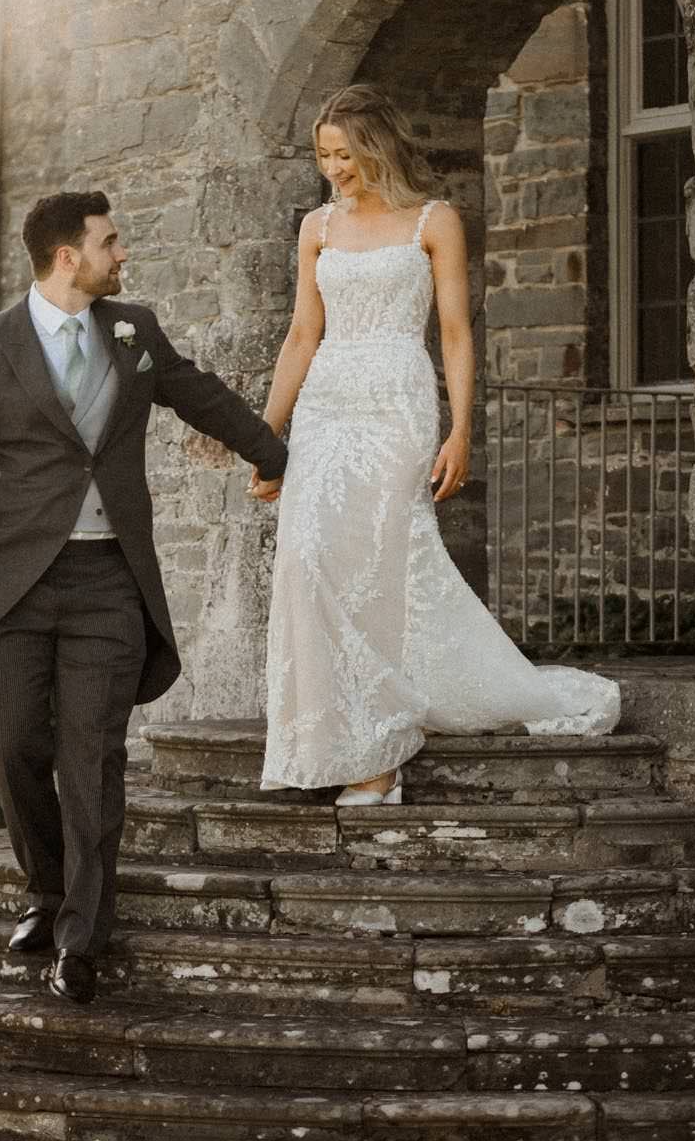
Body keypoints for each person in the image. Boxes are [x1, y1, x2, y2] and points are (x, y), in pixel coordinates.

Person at [0, 191, 288, 1003]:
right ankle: (47, 891)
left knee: (92, 758)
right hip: (11, 583)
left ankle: (81, 938)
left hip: (109, 582)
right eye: (109, 242)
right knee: (10, 740)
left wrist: (276, 455)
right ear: (67, 257)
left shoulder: (136, 330)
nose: (121, 255)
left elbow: (202, 395)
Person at [251, 85, 620, 803]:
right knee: (306, 557)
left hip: (396, 399)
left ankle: (378, 753)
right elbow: (302, 334)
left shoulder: (434, 220)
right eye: (324, 156)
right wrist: (265, 435)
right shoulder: (317, 226)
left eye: (345, 155)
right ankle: (333, 737)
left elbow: (454, 332)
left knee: (379, 562)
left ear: (377, 147)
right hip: (328, 401)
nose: (334, 170)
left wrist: (460, 428)